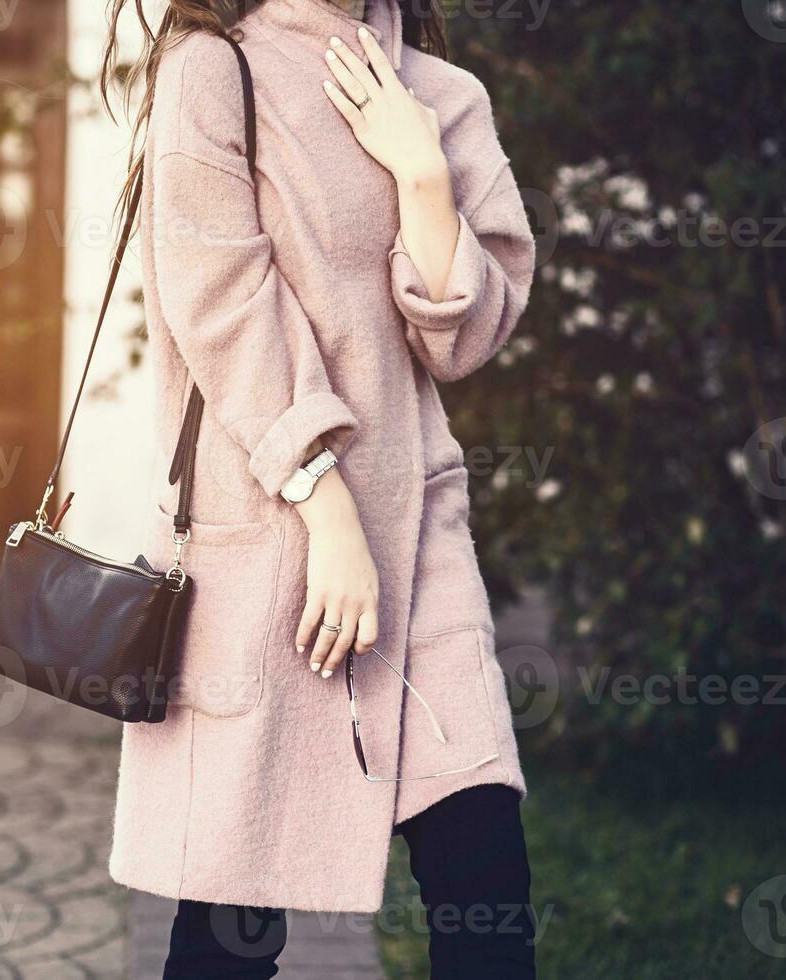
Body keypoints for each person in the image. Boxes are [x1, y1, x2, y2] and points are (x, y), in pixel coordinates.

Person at [102, 0, 537, 976]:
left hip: (420, 546)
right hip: (265, 548)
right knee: (231, 929)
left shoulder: (441, 97)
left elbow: (460, 340)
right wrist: (322, 498)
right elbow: (217, 298)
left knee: (485, 885)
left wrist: (420, 177)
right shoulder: (213, 70)